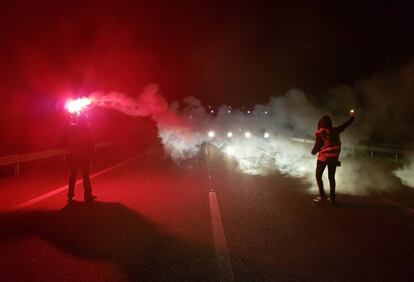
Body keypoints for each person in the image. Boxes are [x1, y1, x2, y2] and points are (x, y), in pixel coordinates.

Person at [311, 111, 355, 204]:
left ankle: (322, 196)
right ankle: (332, 198)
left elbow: (316, 147)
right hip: (333, 159)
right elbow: (345, 125)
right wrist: (351, 118)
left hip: (322, 159)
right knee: (331, 177)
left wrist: (313, 152)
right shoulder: (335, 130)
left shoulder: (320, 133)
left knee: (318, 176)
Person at [67, 113, 97, 203]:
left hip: (74, 156)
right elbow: (91, 145)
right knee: (85, 177)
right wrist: (94, 156)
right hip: (84, 156)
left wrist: (72, 117)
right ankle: (87, 196)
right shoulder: (87, 130)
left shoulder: (73, 129)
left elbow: (69, 135)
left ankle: (70, 195)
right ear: (85, 121)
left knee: (72, 176)